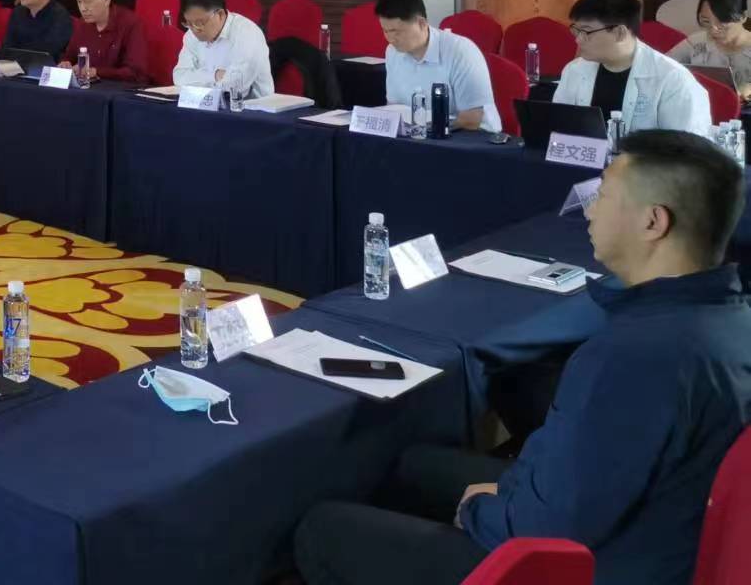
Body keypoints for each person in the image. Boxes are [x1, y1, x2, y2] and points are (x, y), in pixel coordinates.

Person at [293, 129, 751, 585]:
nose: (590, 209)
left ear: (653, 222)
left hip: (591, 565)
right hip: (639, 524)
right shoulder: (730, 319)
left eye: (604, 195)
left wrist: (481, 510)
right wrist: (507, 491)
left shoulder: (637, 357)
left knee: (323, 530)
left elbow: (552, 526)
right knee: (409, 465)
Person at [554, 0, 710, 136]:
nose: (578, 40)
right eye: (576, 30)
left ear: (619, 33)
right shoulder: (574, 70)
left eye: (586, 32)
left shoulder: (673, 79)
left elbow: (686, 147)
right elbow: (558, 127)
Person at [375, 0, 499, 131]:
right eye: (385, 31)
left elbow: (472, 118)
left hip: (472, 136)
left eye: (396, 31)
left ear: (421, 23)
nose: (390, 39)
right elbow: (394, 107)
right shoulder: (392, 52)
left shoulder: (460, 51)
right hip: (418, 136)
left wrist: (428, 128)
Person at [173, 0, 274, 101]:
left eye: (200, 23)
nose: (195, 30)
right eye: (189, 23)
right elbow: (179, 77)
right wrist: (215, 75)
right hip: (204, 104)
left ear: (220, 14)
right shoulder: (191, 35)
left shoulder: (247, 33)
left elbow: (236, 87)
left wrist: (198, 79)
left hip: (252, 107)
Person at [669, 0, 751, 102]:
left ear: (743, 17)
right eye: (706, 21)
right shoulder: (696, 43)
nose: (713, 30)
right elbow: (663, 66)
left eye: (722, 22)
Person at [64, 0, 149, 85]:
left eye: (88, 2)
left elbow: (136, 74)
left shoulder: (130, 23)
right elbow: (70, 57)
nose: (83, 8)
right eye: (79, 2)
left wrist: (97, 72)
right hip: (87, 88)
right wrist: (65, 64)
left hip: (119, 90)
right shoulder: (82, 24)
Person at [0, 0, 75, 64]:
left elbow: (46, 53)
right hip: (15, 67)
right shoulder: (18, 12)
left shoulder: (60, 17)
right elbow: (7, 48)